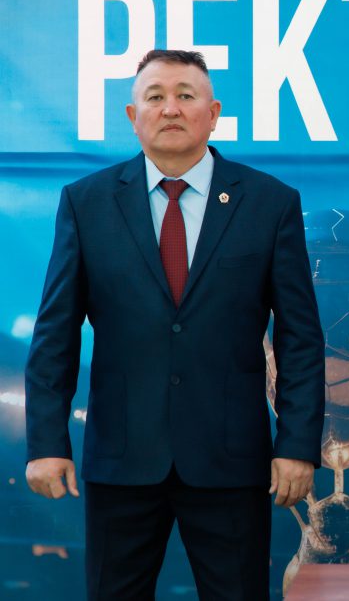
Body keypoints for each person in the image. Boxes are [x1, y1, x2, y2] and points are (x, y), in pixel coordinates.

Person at [24, 49, 325, 600]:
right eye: (155, 96)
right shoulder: (87, 203)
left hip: (232, 460)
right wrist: (47, 442)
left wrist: (298, 445)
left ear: (213, 113)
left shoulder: (269, 203)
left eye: (186, 95)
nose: (170, 108)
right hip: (121, 458)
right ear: (132, 115)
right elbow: (55, 335)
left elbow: (300, 340)